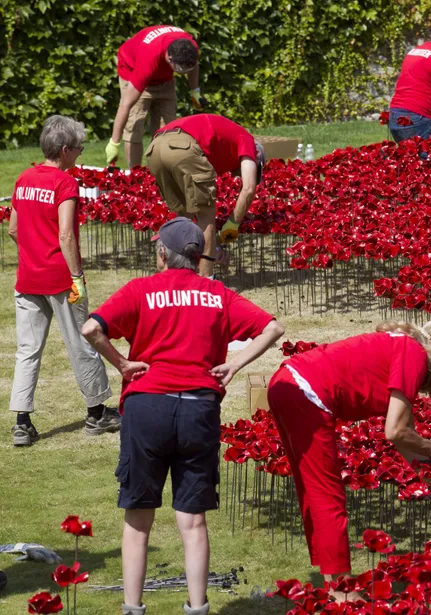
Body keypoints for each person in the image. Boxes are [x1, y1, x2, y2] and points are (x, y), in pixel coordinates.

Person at [81, 218, 284, 615]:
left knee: (139, 520)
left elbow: (91, 328)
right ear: (195, 257)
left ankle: (133, 608)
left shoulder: (142, 289)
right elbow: (272, 328)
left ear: (162, 253)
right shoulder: (216, 293)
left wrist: (122, 363)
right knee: (192, 523)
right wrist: (235, 364)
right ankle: (197, 608)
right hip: (198, 409)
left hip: (148, 407)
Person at [266, 319, 431, 600]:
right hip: (306, 392)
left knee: (316, 493)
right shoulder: (414, 356)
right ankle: (343, 594)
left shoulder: (406, 349)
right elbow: (395, 431)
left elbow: (406, 439)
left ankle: (334, 586)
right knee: (327, 497)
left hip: (287, 383)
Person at [8, 115, 116, 447]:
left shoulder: (23, 178)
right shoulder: (64, 183)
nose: (81, 153)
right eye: (80, 148)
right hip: (60, 279)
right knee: (81, 343)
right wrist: (76, 277)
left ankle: (22, 423)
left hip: (27, 279)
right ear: (65, 150)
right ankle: (96, 413)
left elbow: (13, 229)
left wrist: (33, 254)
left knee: (28, 351)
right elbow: (66, 234)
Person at [145, 113, 266, 278]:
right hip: (183, 146)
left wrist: (214, 248)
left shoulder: (221, 149)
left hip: (155, 147)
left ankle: (169, 275)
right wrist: (231, 226)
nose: (236, 174)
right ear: (256, 156)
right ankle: (206, 281)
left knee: (182, 218)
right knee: (206, 216)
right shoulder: (247, 140)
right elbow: (249, 189)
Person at [106, 25, 203, 168]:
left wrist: (195, 91)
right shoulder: (148, 58)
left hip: (164, 77)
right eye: (182, 69)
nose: (184, 73)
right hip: (132, 69)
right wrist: (114, 142)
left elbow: (193, 66)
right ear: (170, 58)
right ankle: (135, 175)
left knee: (168, 129)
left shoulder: (191, 48)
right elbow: (125, 104)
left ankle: (159, 174)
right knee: (135, 124)